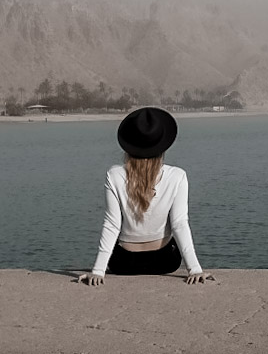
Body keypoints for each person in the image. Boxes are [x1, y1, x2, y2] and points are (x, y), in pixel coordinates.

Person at [80, 106, 209, 285]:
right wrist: (194, 269)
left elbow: (112, 224)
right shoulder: (177, 176)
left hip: (123, 263)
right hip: (165, 262)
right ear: (163, 146)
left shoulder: (115, 174)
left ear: (128, 146)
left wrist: (98, 271)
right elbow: (179, 224)